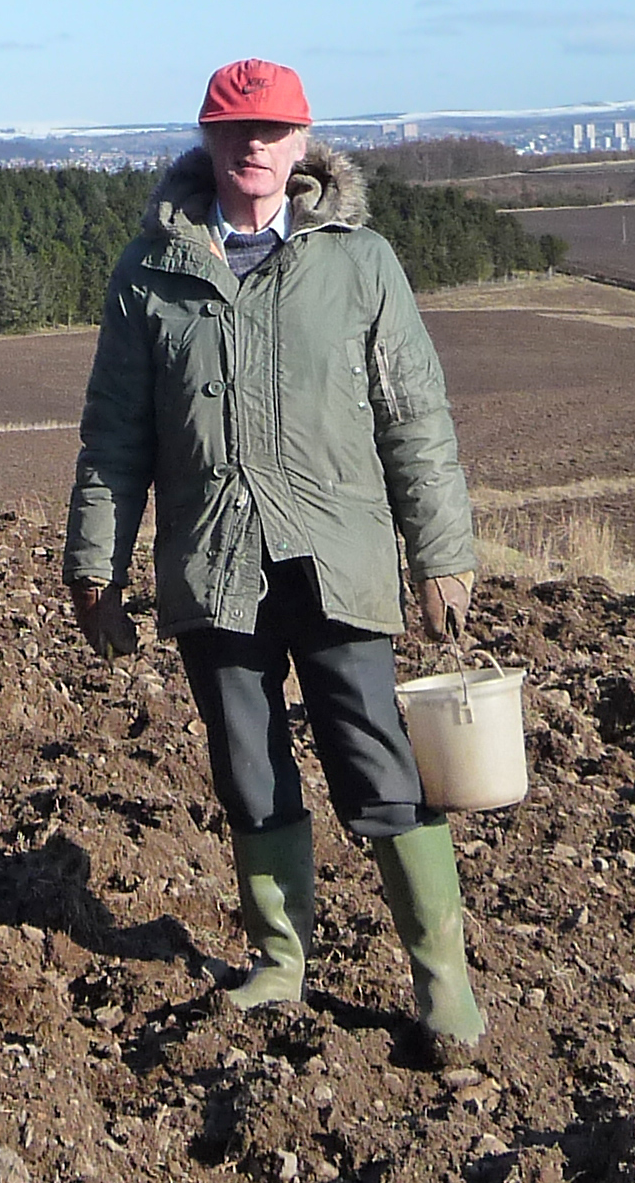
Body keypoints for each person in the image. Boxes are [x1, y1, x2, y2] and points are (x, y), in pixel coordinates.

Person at [63, 59, 485, 1053]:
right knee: (247, 768)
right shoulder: (149, 271)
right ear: (208, 142)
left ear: (302, 145)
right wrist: (95, 567)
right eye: (233, 130)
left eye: (272, 131)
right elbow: (115, 435)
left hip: (334, 558)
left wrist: (442, 555)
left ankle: (440, 980)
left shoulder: (359, 260)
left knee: (375, 763)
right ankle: (281, 961)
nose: (252, 147)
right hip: (215, 562)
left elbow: (414, 420)